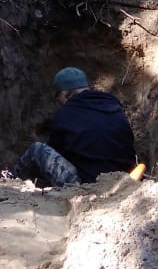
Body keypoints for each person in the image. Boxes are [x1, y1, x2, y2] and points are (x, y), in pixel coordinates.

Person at [8, 67, 136, 188]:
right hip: (124, 180)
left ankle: (10, 183)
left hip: (87, 186)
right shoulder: (113, 104)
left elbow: (56, 153)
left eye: (59, 100)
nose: (61, 104)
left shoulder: (65, 114)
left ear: (65, 94)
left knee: (37, 150)